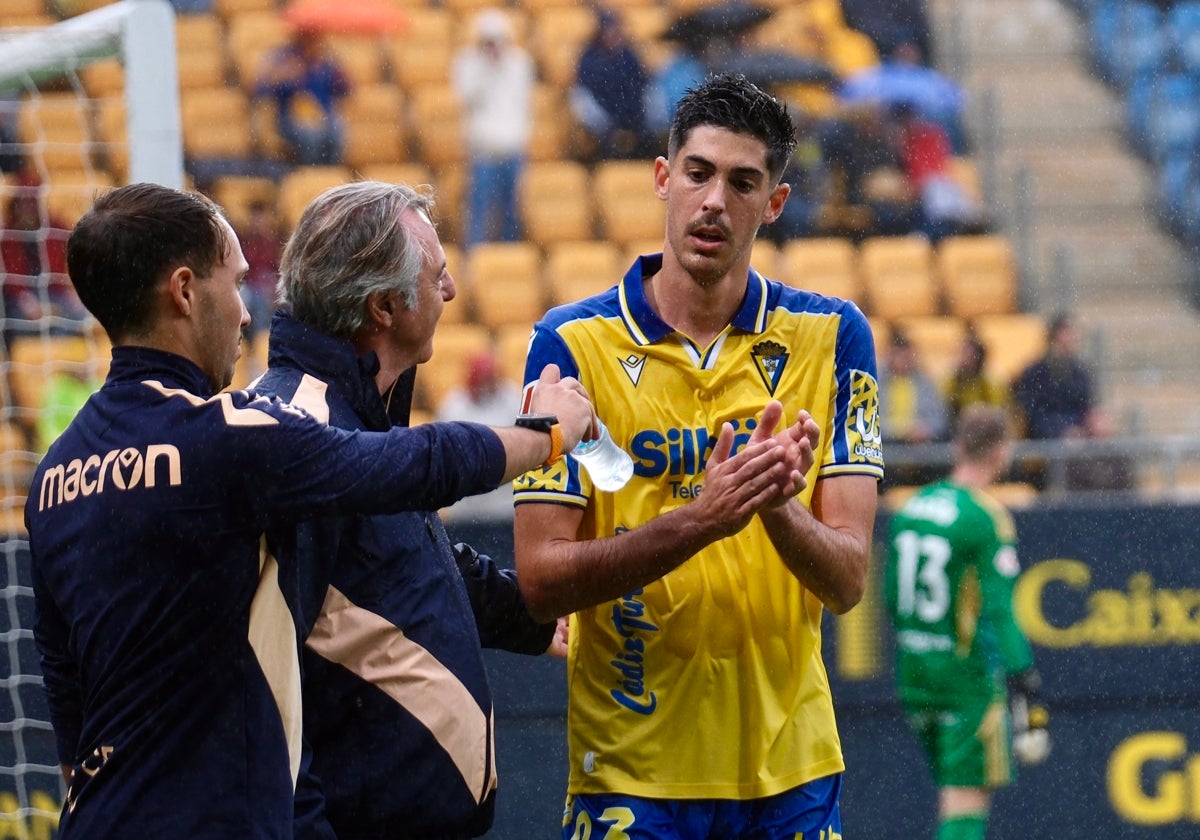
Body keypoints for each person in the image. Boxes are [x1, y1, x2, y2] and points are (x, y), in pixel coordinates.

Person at [25, 182, 594, 839]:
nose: (245, 314)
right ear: (183, 292)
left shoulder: (56, 475)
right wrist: (545, 434)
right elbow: (418, 465)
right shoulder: (231, 437)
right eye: (234, 284)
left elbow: (66, 693)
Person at [513, 73, 885, 839]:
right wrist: (705, 518)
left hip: (792, 770)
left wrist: (775, 504)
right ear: (663, 178)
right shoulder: (569, 345)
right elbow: (542, 579)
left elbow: (847, 580)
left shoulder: (835, 336)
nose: (715, 200)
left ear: (773, 203)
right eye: (698, 173)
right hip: (630, 771)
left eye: (743, 182)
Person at [253, 181, 567, 839]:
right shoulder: (299, 431)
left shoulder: (351, 416)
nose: (452, 292)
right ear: (386, 306)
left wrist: (534, 621)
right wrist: (547, 437)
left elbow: (395, 563)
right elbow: (262, 692)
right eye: (438, 275)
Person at [884, 404, 1049, 840]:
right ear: (1002, 452)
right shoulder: (985, 518)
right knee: (966, 803)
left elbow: (888, 596)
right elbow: (999, 610)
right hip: (966, 679)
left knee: (950, 796)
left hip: (915, 673)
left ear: (957, 445)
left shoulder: (911, 506)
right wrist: (1026, 679)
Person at [452, 9, 534, 247]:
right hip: (484, 150)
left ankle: (509, 256)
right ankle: (474, 256)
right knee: (480, 207)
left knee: (512, 209)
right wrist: (487, 69)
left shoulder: (519, 63)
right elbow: (467, 98)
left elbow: (521, 103)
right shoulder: (468, 63)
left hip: (513, 148)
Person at [436, 347, 524, 523]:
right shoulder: (453, 405)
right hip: (465, 513)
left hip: (505, 511)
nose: (485, 385)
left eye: (489, 379)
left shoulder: (512, 398)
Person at [254, 26, 350, 166]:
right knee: (309, 136)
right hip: (291, 118)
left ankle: (330, 171)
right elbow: (261, 90)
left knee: (337, 132)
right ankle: (307, 171)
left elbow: (345, 89)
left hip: (323, 117)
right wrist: (284, 77)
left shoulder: (326, 61)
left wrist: (339, 68)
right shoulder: (282, 58)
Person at [570, 8, 655, 161]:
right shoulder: (589, 56)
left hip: (630, 111)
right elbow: (591, 87)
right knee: (579, 98)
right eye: (608, 30)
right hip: (603, 113)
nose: (612, 35)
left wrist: (631, 115)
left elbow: (638, 85)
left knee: (654, 96)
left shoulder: (629, 55)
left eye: (615, 30)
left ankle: (644, 146)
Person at [236, 199, 283, 361]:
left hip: (265, 289)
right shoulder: (242, 241)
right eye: (255, 217)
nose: (258, 221)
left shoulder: (272, 242)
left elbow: (277, 270)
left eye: (261, 217)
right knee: (252, 299)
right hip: (247, 288)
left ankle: (260, 348)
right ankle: (251, 345)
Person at [942, 327, 1010, 433]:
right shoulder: (951, 380)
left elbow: (997, 411)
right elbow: (944, 406)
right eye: (960, 354)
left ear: (978, 358)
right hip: (957, 428)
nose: (962, 359)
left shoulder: (991, 381)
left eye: (967, 355)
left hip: (986, 428)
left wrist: (977, 415)